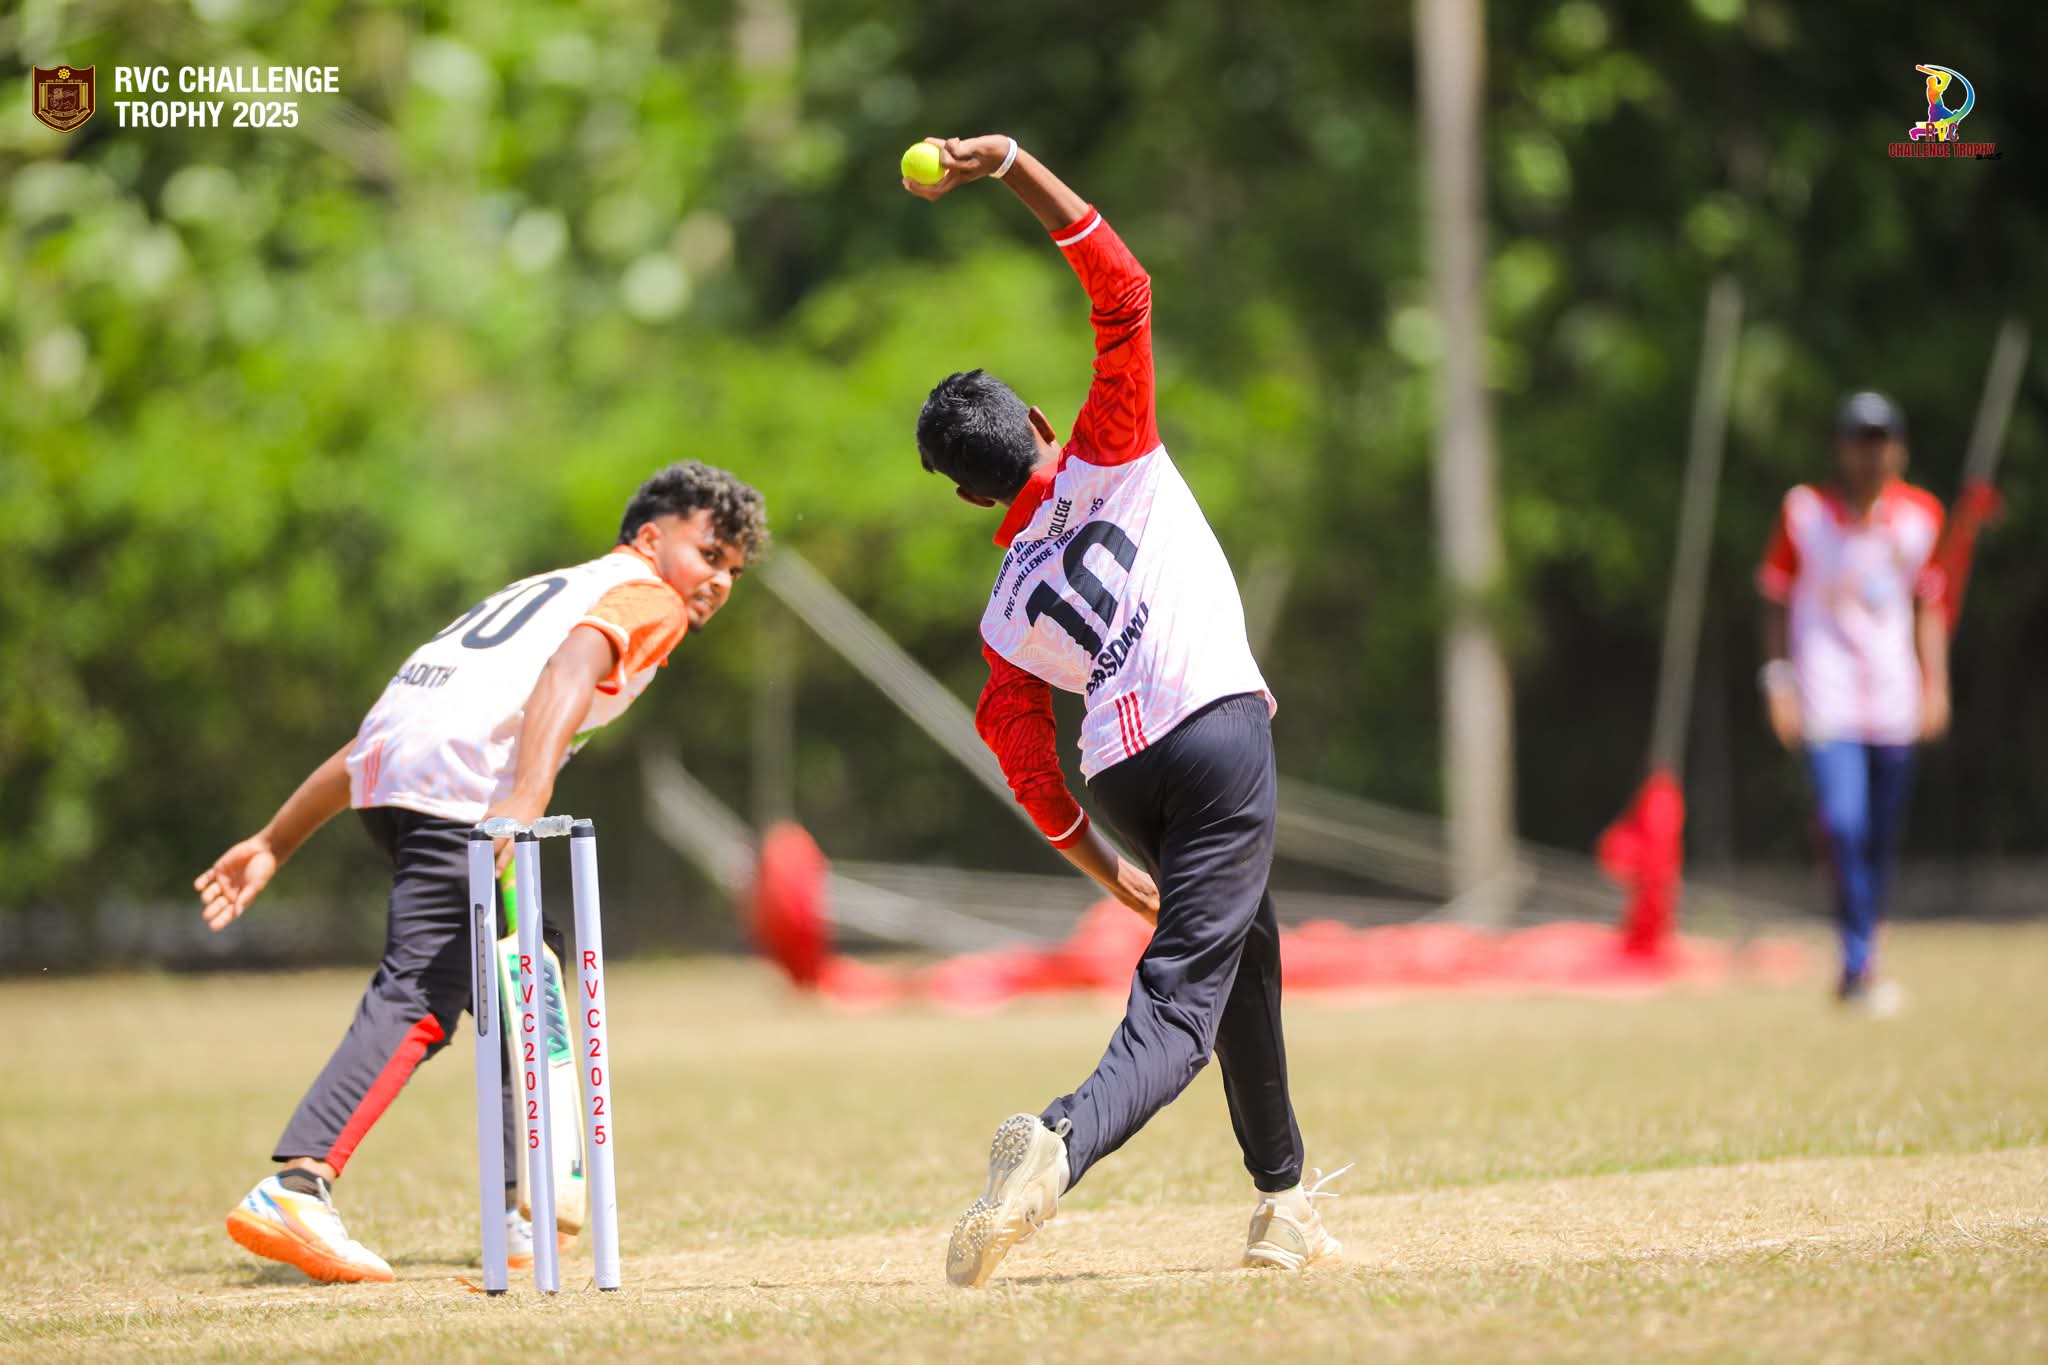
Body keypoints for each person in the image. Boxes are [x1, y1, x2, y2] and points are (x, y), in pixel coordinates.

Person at [904, 134, 1343, 1288]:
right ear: (1040, 417)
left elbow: (1019, 758)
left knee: (1242, 952)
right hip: (1214, 730)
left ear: (966, 494)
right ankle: (1054, 1142)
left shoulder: (1004, 604)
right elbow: (1122, 290)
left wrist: (1105, 869)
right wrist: (1010, 168)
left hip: (1125, 772)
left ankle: (1282, 1199)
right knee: (1181, 1006)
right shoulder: (1110, 445)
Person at [193, 462, 766, 1282]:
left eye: (734, 571)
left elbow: (386, 736)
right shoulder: (648, 595)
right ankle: (299, 1183)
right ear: (650, 536)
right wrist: (526, 803)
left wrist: (277, 839)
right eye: (709, 553)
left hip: (397, 773)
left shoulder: (552, 584)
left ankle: (518, 1206)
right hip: (465, 791)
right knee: (424, 990)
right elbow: (571, 670)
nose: (717, 582)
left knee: (516, 975)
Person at [1757, 392, 1949, 1014]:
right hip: (1827, 697)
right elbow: (1776, 598)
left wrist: (1934, 684)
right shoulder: (1805, 514)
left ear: (1900, 449)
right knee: (1844, 824)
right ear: (1841, 449)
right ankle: (1858, 958)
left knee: (1880, 838)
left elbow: (1929, 605)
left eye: (1881, 440)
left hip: (1893, 698)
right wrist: (1778, 681)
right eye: (1859, 441)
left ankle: (1861, 956)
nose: (1870, 455)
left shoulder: (1921, 517)